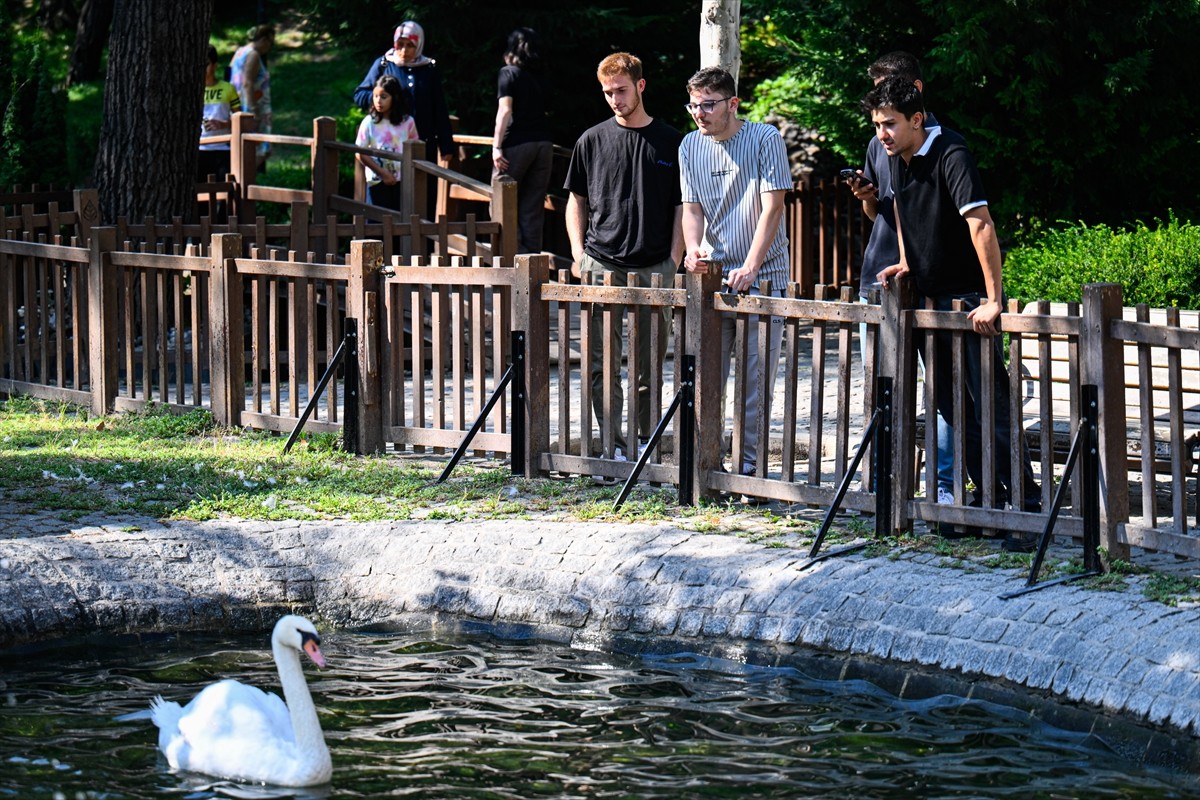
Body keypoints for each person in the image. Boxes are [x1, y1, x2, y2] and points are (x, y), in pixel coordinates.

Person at [864, 77, 1042, 551]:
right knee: (950, 406)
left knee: (991, 409)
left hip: (965, 302)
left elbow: (980, 225)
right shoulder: (895, 158)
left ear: (917, 119)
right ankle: (982, 504)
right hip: (927, 302)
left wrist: (992, 298)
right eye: (878, 124)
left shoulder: (951, 154)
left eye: (890, 124)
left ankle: (1024, 507)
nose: (882, 133)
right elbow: (902, 213)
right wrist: (907, 259)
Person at [564, 52, 683, 461]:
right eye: (608, 92)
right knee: (601, 363)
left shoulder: (672, 141)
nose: (615, 99)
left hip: (654, 264)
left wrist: (673, 258)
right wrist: (579, 254)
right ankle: (612, 443)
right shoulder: (591, 140)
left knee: (650, 364)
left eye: (621, 90)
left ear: (641, 86)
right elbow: (575, 200)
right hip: (602, 261)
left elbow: (682, 206)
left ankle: (647, 440)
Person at [849, 51, 955, 507]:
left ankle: (945, 483)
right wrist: (865, 197)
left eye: (888, 88)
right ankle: (882, 478)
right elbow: (879, 212)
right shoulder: (881, 142)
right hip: (881, 270)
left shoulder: (941, 145)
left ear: (916, 95)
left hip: (930, 281)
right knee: (881, 380)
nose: (880, 108)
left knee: (943, 388)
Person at [680, 67, 790, 478]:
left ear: (732, 103)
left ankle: (750, 472)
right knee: (708, 378)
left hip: (764, 276)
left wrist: (752, 264)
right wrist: (692, 250)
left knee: (753, 385)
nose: (700, 114)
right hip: (715, 277)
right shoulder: (690, 145)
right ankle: (707, 467)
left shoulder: (765, 138)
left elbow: (773, 206)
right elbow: (691, 209)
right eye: (694, 105)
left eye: (708, 105)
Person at [353, 21, 455, 166]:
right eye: (400, 44)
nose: (404, 50)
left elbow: (439, 107)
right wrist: (382, 99)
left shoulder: (429, 69)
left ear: (419, 45)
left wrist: (446, 146)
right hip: (390, 144)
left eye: (410, 45)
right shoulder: (384, 64)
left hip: (423, 144)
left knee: (423, 187)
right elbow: (360, 94)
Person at [491, 28, 554, 254]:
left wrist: (497, 146)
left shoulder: (508, 73)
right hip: (544, 144)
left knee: (500, 202)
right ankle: (531, 263)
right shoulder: (542, 77)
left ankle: (511, 259)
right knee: (532, 207)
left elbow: (505, 111)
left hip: (517, 143)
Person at [355, 75, 419, 212]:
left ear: (394, 98)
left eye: (384, 97)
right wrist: (383, 173)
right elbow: (360, 152)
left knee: (399, 224)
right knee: (376, 225)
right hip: (377, 181)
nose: (378, 101)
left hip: (402, 182)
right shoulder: (369, 122)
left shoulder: (408, 122)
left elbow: (416, 148)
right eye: (375, 96)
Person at [229, 24, 274, 172]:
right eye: (270, 42)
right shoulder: (253, 55)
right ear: (263, 39)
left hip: (237, 106)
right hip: (252, 107)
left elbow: (230, 75)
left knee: (244, 147)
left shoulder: (239, 52)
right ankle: (242, 179)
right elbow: (248, 83)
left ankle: (240, 180)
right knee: (263, 149)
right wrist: (253, 111)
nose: (270, 47)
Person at [198, 45, 241, 182]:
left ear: (215, 65)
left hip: (223, 149)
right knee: (200, 196)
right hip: (199, 149)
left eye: (207, 64)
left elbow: (241, 120)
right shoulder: (190, 89)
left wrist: (223, 124)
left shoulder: (228, 89)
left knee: (225, 195)